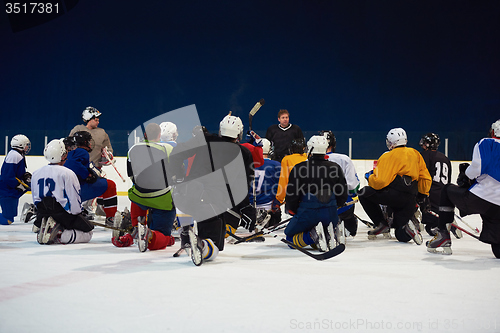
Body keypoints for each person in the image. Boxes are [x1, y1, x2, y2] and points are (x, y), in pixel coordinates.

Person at [169, 114, 256, 265]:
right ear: (239, 133)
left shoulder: (205, 139)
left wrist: (178, 176)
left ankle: (186, 231)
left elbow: (177, 152)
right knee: (214, 247)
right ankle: (202, 244)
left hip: (184, 195)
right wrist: (247, 209)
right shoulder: (244, 154)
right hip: (210, 203)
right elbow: (242, 188)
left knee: (191, 201)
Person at [427, 120, 500, 258]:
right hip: (498, 207)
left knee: (447, 190)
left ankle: (443, 234)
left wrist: (466, 174)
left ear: (494, 132)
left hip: (480, 197)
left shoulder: (486, 143)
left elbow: (476, 169)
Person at [359, 128, 432, 245]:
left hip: (394, 196)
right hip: (411, 197)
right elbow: (425, 177)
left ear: (392, 142)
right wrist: (422, 195)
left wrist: (370, 178)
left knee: (364, 193)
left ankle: (381, 223)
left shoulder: (388, 156)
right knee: (400, 233)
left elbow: (380, 182)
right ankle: (407, 228)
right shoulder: (415, 153)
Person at [112, 123, 176, 251]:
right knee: (164, 237)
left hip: (138, 197)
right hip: (161, 199)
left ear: (145, 135)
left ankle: (131, 234)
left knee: (136, 193)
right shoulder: (167, 149)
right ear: (159, 135)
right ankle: (151, 235)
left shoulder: (132, 149)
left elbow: (131, 175)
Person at [284, 135, 348, 251]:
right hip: (331, 213)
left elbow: (291, 196)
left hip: (308, 213)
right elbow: (343, 195)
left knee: (289, 237)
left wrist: (293, 210)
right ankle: (331, 232)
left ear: (310, 149)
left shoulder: (299, 168)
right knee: (324, 224)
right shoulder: (335, 167)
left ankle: (312, 235)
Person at [32, 139, 94, 245]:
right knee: (88, 232)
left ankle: (46, 226)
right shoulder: (68, 173)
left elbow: (35, 198)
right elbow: (73, 198)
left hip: (42, 212)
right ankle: (59, 234)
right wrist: (78, 214)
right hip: (62, 213)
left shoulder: (36, 173)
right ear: (62, 155)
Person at [63, 131, 119, 227]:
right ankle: (110, 217)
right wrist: (87, 175)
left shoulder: (69, 153)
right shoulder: (82, 152)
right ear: (84, 142)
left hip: (63, 191)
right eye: (88, 141)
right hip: (78, 190)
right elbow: (73, 164)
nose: (90, 143)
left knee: (101, 181)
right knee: (110, 185)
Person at [321, 130, 360, 238]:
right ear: (333, 144)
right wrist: (352, 195)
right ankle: (346, 225)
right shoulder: (344, 159)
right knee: (351, 230)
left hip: (318, 206)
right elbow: (353, 186)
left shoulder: (309, 161)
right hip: (343, 206)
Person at [418, 133, 455, 236]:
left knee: (431, 228)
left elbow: (420, 175)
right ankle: (447, 220)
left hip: (431, 196)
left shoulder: (424, 155)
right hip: (445, 196)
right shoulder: (445, 158)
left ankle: (412, 220)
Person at [0, 134, 31, 225]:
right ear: (20, 145)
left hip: (9, 190)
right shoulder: (14, 155)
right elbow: (7, 177)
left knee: (10, 216)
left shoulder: (16, 154)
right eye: (26, 144)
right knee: (8, 219)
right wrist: (19, 185)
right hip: (7, 191)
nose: (27, 146)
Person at [250, 138, 282, 228]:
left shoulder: (247, 163)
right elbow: (281, 187)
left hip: (249, 209)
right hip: (269, 208)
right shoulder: (276, 165)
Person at [274, 138, 308, 211]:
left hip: (293, 197)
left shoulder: (287, 159)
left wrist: (279, 199)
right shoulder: (308, 157)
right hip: (309, 197)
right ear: (304, 148)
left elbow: (284, 181)